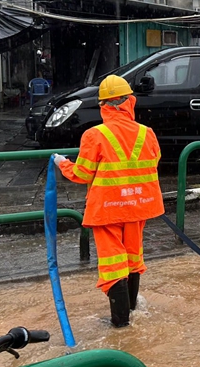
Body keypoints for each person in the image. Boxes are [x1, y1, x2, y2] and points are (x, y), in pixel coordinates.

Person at [53, 75, 164, 328]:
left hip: (108, 211)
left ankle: (120, 325)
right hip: (138, 208)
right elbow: (151, 162)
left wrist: (62, 164)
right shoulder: (147, 133)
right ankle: (132, 312)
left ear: (104, 106)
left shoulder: (94, 135)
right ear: (130, 102)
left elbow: (82, 174)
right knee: (133, 258)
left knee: (114, 265)